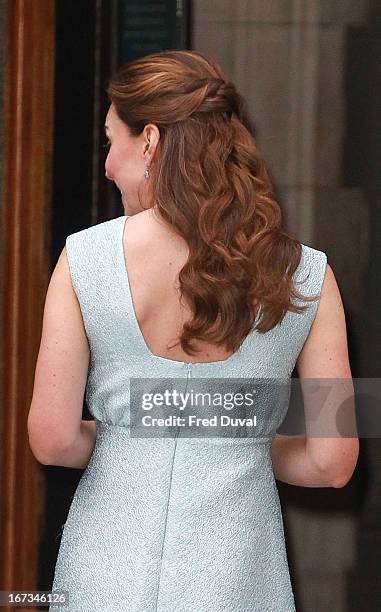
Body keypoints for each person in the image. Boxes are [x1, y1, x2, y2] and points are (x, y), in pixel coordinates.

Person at [28, 50, 359, 611]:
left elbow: (52, 439)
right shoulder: (310, 273)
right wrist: (237, 438)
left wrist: (134, 436)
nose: (107, 164)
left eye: (113, 141)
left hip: (103, 572)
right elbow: (333, 463)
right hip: (238, 576)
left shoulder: (82, 259)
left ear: (150, 141)